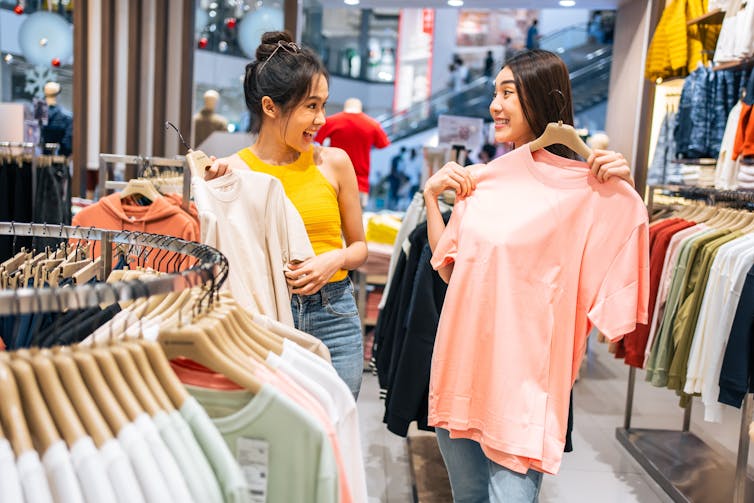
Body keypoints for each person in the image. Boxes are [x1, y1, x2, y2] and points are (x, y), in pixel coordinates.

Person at [423, 50, 641, 502]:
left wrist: (623, 191)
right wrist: (430, 198)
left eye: (507, 92)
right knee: (466, 496)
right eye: (494, 93)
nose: (494, 105)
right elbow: (450, 272)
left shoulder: (597, 195)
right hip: (460, 375)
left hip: (523, 394)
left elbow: (618, 302)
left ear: (542, 97)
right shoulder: (483, 181)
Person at [205, 31, 368, 399]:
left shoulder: (334, 163)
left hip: (335, 315)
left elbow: (359, 247)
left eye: (324, 105)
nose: (322, 119)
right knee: (275, 440)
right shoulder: (232, 173)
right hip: (265, 317)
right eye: (311, 106)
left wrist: (335, 258)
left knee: (333, 435)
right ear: (270, 107)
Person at [315, 97, 390, 209]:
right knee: (356, 223)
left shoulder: (331, 121)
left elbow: (316, 143)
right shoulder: (372, 124)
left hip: (333, 179)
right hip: (360, 184)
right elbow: (383, 144)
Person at [41, 81, 72, 156]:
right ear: (58, 95)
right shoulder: (67, 117)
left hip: (39, 158)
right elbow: (67, 143)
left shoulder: (37, 115)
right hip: (60, 159)